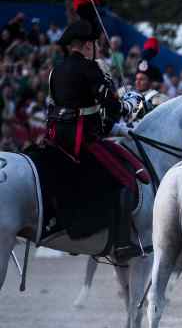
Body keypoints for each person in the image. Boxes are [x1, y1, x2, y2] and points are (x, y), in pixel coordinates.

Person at [36, 19, 144, 260]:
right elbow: (112, 107)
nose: (97, 48)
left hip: (55, 140)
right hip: (82, 141)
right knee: (127, 180)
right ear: (86, 46)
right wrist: (131, 104)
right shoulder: (90, 69)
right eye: (95, 44)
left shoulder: (56, 70)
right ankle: (123, 243)